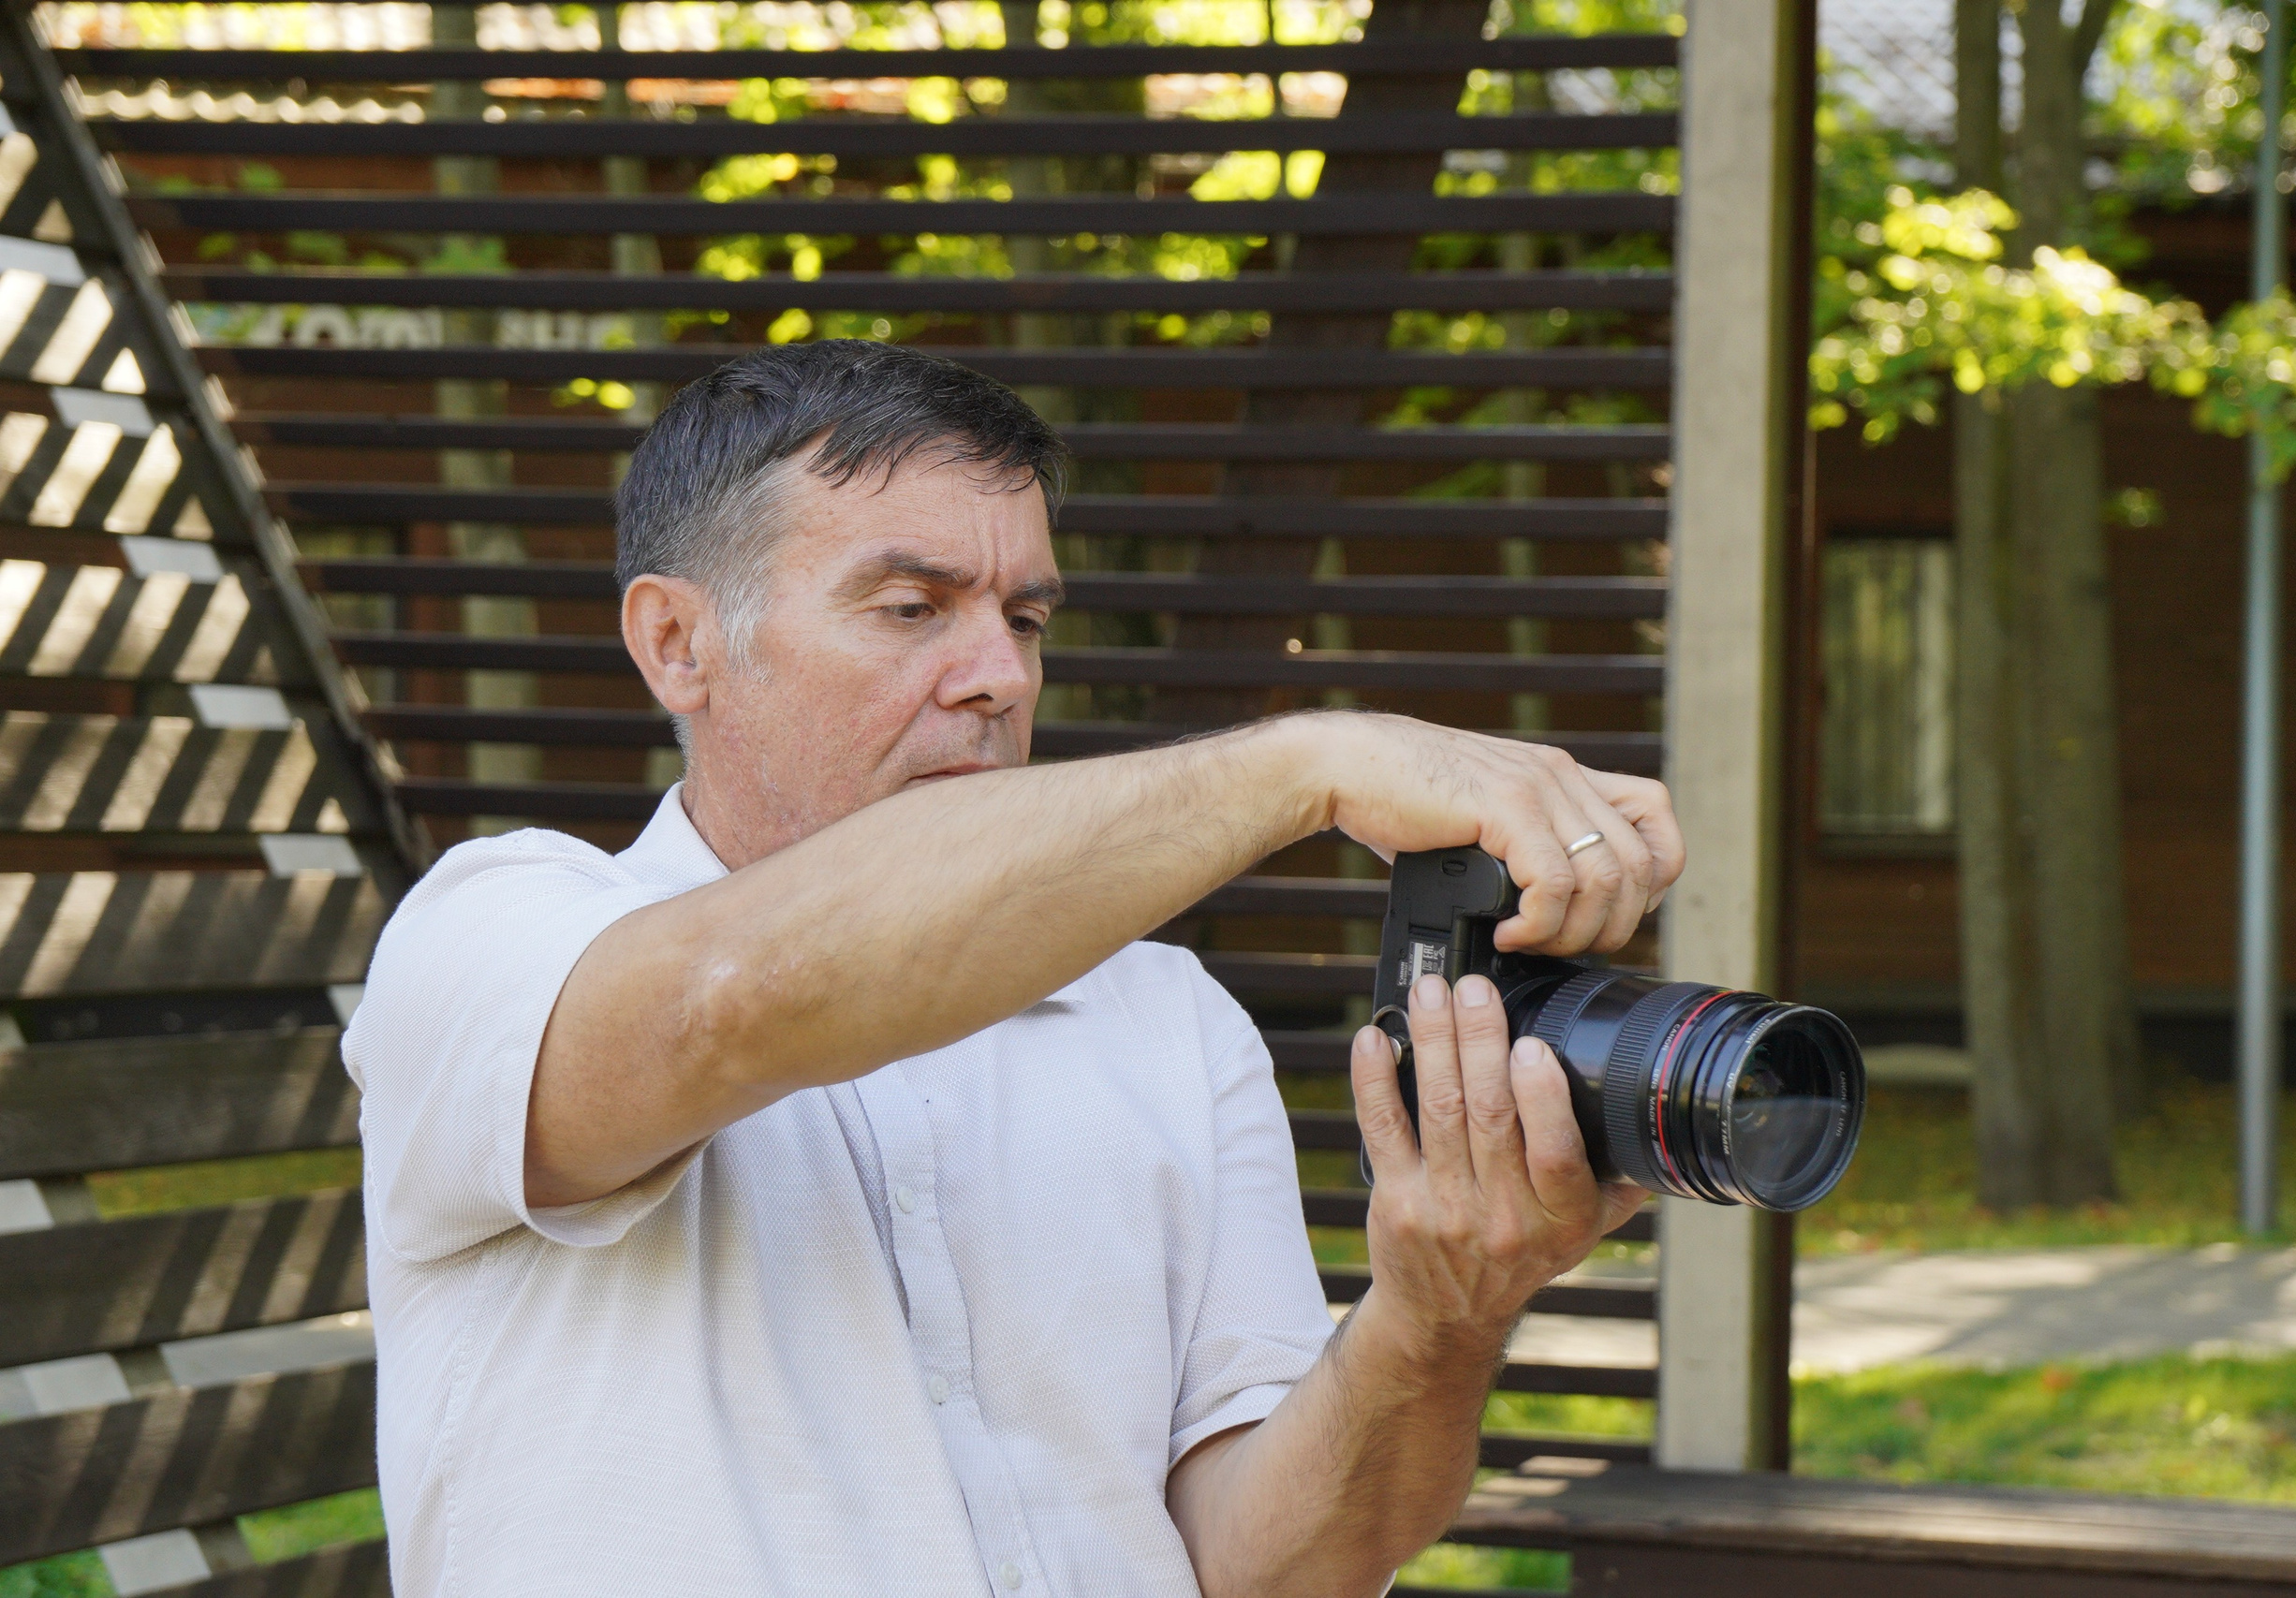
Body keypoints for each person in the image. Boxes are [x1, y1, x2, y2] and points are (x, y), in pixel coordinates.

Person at [345, 340, 1682, 1598]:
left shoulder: (1165, 1019)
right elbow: (727, 1005)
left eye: (1026, 620)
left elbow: (1268, 1571)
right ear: (678, 643)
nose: (997, 676)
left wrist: (1440, 1313)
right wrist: (1307, 761)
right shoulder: (493, 941)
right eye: (912, 606)